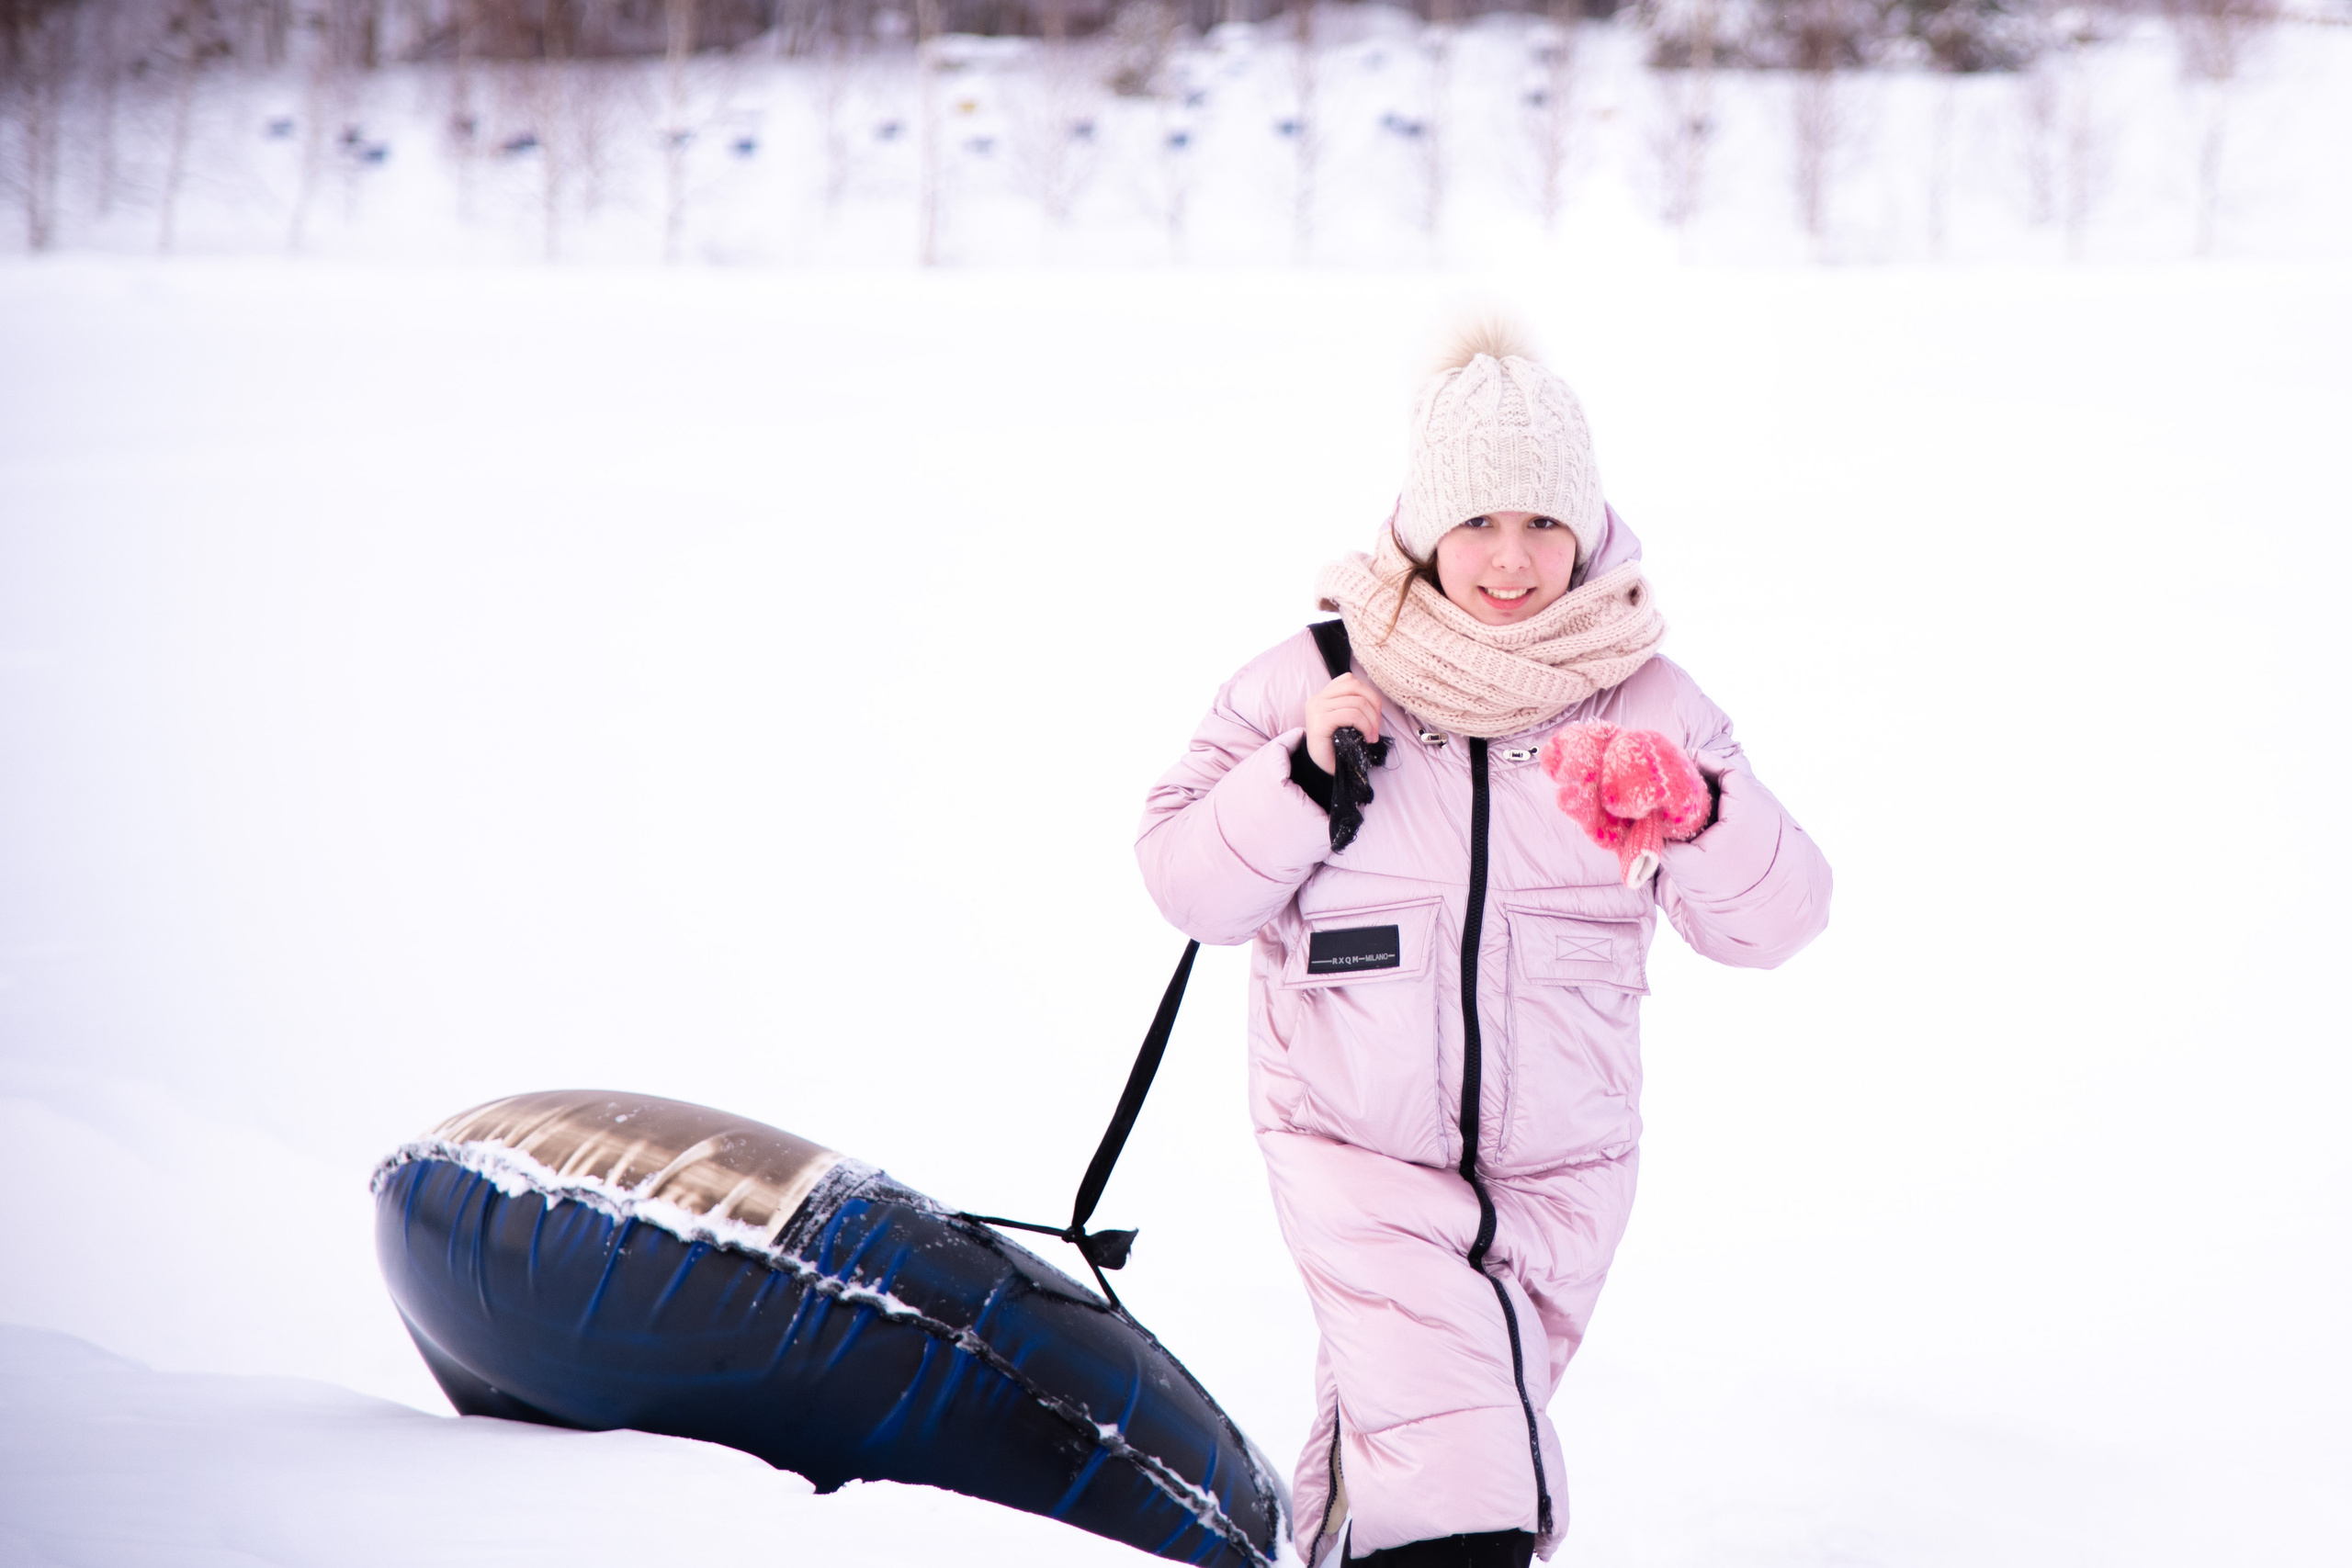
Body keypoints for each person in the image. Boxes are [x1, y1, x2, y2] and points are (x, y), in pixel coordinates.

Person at [1136, 326, 1832, 1567]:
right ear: (1420, 529)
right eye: (1476, 525)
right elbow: (1190, 889)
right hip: (1355, 1159)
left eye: (1542, 525)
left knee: (1421, 1455)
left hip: (1565, 1177)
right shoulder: (1311, 678)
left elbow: (1776, 924)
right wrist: (1294, 774)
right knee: (1467, 1491)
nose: (1510, 561)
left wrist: (1702, 814)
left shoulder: (1644, 700)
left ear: (1588, 530)